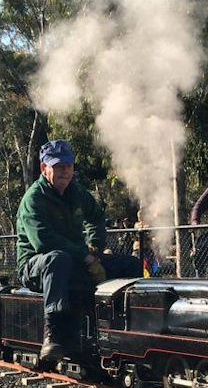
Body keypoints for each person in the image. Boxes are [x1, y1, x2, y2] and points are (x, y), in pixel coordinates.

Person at [16, 139, 140, 362]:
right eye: (58, 167)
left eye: (68, 166)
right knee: (57, 259)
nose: (65, 171)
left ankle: (130, 326)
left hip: (76, 259)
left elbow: (97, 218)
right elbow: (43, 241)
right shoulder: (33, 199)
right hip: (36, 266)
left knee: (130, 263)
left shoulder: (77, 192)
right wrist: (85, 256)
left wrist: (94, 248)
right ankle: (53, 333)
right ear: (45, 169)